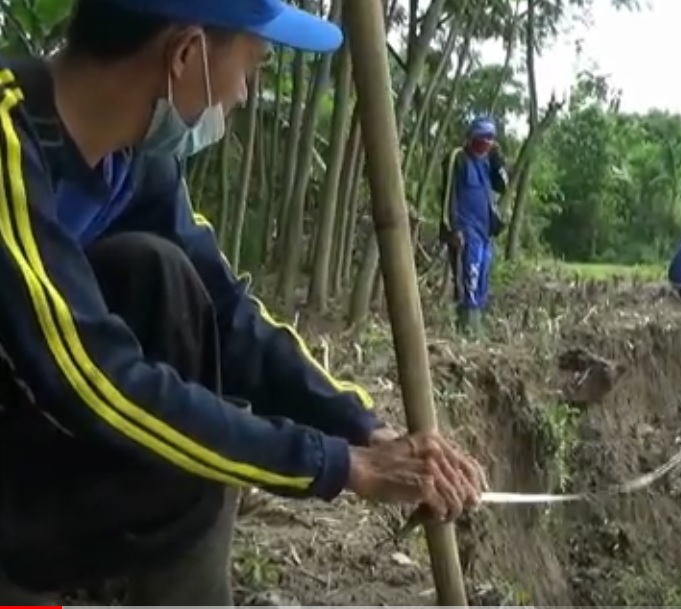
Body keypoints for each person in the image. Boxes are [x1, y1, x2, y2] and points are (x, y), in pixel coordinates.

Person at [0, 0, 485, 604]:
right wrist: (335, 466)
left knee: (164, 279)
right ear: (185, 55)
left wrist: (362, 429)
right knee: (187, 423)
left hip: (35, 449)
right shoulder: (8, 142)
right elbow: (95, 377)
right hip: (32, 439)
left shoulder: (135, 164)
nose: (248, 94)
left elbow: (229, 313)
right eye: (252, 65)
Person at [439, 116, 508, 337]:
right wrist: (452, 229)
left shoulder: (489, 161)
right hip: (465, 230)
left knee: (482, 279)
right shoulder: (457, 158)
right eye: (481, 139)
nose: (485, 144)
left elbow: (502, 186)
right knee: (469, 278)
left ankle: (477, 330)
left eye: (490, 140)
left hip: (484, 231)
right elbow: (447, 195)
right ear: (470, 138)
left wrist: (499, 164)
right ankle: (466, 330)